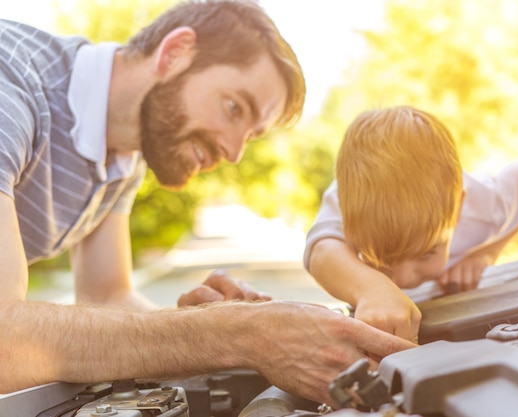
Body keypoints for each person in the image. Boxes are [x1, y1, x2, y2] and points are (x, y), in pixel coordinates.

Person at [0, 0, 416, 406]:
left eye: (251, 135)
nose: (234, 153)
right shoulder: (10, 83)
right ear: (176, 52)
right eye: (234, 108)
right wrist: (236, 332)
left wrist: (200, 324)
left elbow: (108, 295)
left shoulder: (123, 157)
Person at [303, 106, 518, 343]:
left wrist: (486, 254)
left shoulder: (484, 207)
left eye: (425, 253)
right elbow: (322, 251)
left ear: (457, 211)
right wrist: (372, 289)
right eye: (380, 259)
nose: (402, 278)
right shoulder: (350, 198)